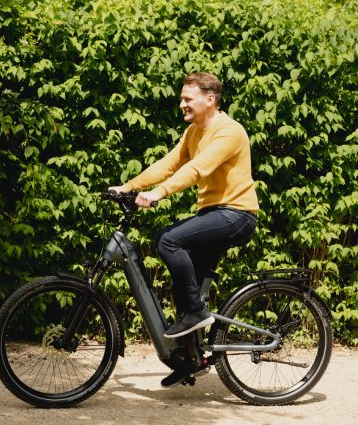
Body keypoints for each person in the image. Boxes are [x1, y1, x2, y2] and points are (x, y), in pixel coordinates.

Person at [109, 72, 259, 387]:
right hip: (214, 213)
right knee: (184, 283)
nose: (182, 104)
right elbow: (169, 163)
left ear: (210, 99)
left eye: (187, 99)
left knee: (168, 240)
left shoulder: (229, 131)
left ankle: (196, 313)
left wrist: (157, 194)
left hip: (236, 214)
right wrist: (129, 186)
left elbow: (196, 169)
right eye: (182, 98)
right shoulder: (193, 132)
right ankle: (192, 357)